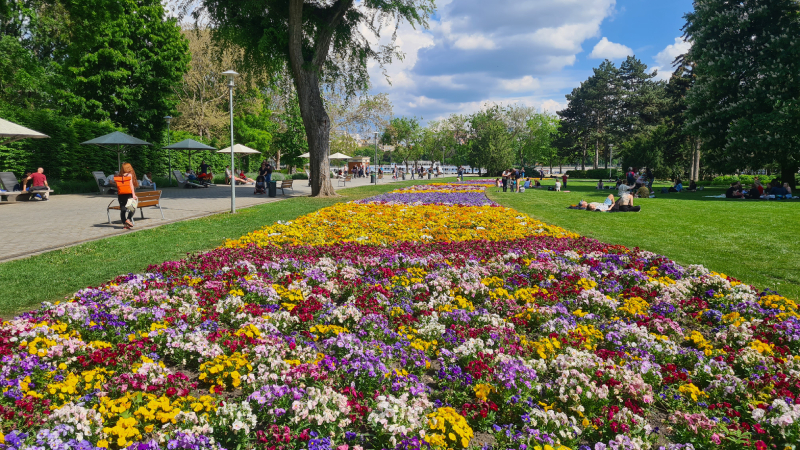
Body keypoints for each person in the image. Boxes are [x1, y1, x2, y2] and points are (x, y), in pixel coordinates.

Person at [114, 162, 138, 229]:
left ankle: (125, 225)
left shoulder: (119, 175)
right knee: (133, 208)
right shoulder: (129, 175)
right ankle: (128, 219)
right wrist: (133, 195)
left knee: (123, 209)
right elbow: (131, 185)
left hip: (121, 195)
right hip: (128, 194)